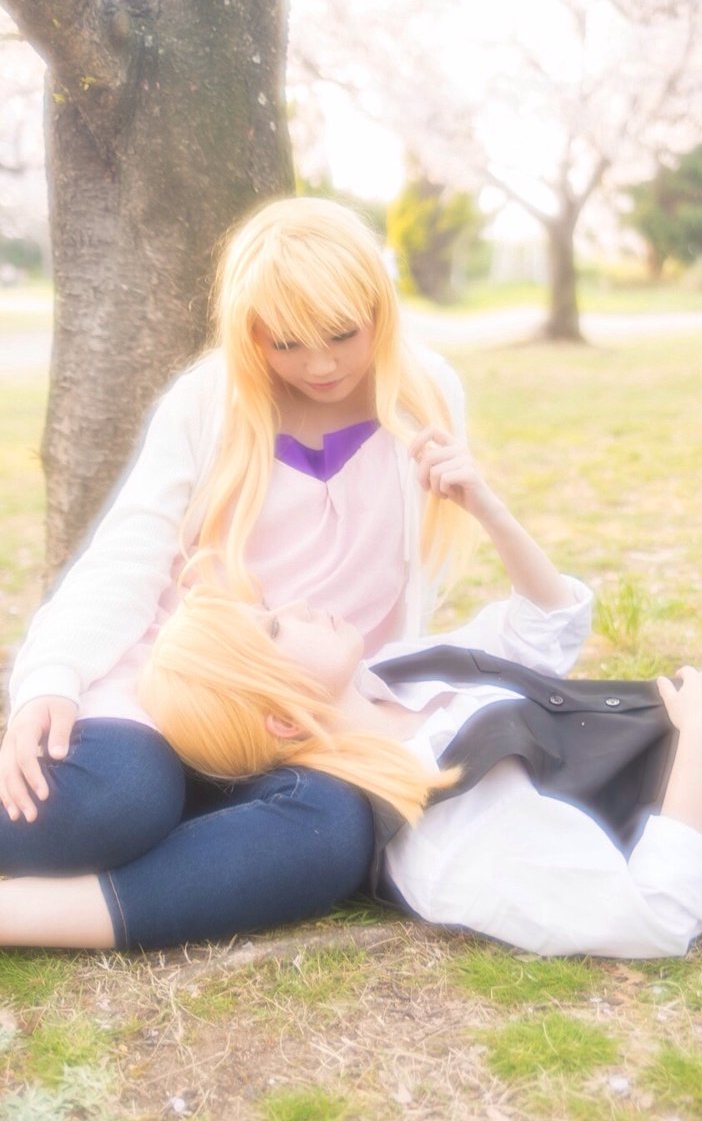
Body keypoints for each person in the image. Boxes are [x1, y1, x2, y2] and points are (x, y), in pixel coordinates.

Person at [0, 196, 472, 949]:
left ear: (380, 311)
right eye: (287, 343)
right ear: (250, 332)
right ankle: (164, 812)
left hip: (305, 714)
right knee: (116, 799)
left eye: (342, 334)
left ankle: (26, 915)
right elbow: (129, 552)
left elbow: (415, 579)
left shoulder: (428, 394)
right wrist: (51, 677)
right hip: (172, 688)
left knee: (332, 833)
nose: (320, 364)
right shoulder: (208, 400)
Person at [137, 431, 702, 959]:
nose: (301, 606)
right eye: (276, 628)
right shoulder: (441, 835)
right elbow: (658, 916)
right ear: (282, 720)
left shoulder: (393, 676)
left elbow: (546, 627)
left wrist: (484, 505)